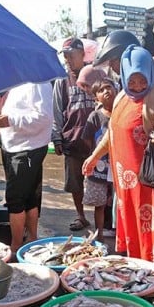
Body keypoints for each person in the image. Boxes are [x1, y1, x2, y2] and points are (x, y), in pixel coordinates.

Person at [83, 45, 154, 268]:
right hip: (126, 183)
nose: (137, 86)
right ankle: (138, 267)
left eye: (142, 80)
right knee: (134, 224)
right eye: (132, 80)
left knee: (151, 223)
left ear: (150, 74)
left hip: (150, 181)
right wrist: (95, 156)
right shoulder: (122, 97)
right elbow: (112, 133)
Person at [0, 82, 54, 256]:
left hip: (28, 148)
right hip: (13, 145)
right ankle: (31, 239)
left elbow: (44, 117)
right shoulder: (17, 83)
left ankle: (16, 246)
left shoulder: (39, 83)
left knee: (14, 199)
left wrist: (10, 120)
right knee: (30, 197)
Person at [51, 37, 96, 231]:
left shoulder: (94, 74)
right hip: (72, 139)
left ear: (82, 54)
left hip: (95, 141)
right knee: (75, 183)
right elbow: (57, 110)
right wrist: (57, 136)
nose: (68, 59)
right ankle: (81, 216)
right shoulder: (62, 81)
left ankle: (105, 221)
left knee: (101, 182)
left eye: (72, 55)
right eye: (66, 56)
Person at [82, 78, 117, 240]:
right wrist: (95, 156)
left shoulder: (120, 113)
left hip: (118, 164)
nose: (106, 91)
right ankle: (100, 234)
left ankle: (120, 233)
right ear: (96, 98)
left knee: (118, 201)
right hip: (100, 166)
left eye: (109, 87)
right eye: (101, 90)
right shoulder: (95, 116)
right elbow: (87, 139)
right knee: (100, 203)